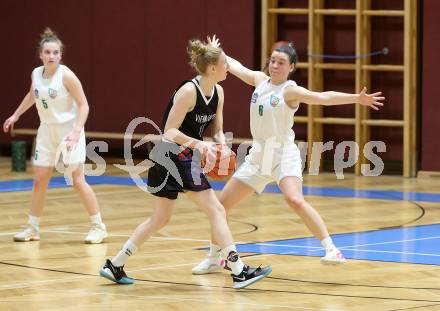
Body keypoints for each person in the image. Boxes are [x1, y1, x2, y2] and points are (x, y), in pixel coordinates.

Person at [192, 36, 385, 274]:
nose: (274, 65)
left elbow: (322, 97)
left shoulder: (290, 91)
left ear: (291, 67)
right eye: (273, 61)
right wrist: (215, 50)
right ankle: (214, 257)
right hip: (258, 156)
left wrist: (356, 98)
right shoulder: (259, 80)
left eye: (281, 62)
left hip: (283, 155)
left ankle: (331, 248)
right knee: (220, 207)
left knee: (295, 200)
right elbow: (232, 65)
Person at [99, 37, 272, 289]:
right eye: (225, 63)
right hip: (171, 155)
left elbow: (217, 129)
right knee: (217, 210)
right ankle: (238, 270)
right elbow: (168, 131)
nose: (228, 67)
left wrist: (221, 144)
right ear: (212, 68)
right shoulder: (188, 91)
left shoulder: (219, 92)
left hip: (184, 156)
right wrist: (200, 145)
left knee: (159, 219)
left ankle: (115, 265)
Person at [3, 28, 107, 244]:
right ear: (40, 54)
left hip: (69, 131)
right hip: (46, 131)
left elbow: (84, 105)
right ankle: (32, 228)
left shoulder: (66, 75)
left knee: (77, 181)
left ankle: (98, 226)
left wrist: (77, 132)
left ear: (61, 55)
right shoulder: (36, 74)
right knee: (40, 180)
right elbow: (33, 95)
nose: (51, 56)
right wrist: (16, 115)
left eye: (55, 52)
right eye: (47, 52)